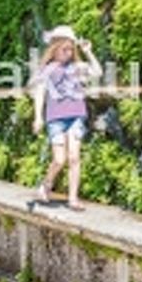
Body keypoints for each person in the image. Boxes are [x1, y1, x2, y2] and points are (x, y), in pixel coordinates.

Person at [30, 25, 102, 211]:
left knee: (74, 158)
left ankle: (73, 199)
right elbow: (40, 93)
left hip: (76, 115)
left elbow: (98, 72)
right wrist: (38, 117)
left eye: (71, 49)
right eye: (64, 49)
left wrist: (88, 53)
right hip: (55, 119)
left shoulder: (77, 67)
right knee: (59, 159)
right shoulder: (48, 69)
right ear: (54, 48)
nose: (68, 53)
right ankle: (46, 185)